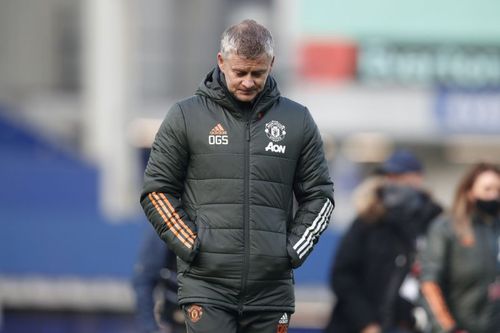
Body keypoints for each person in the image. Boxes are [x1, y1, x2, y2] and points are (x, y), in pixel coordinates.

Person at [140, 19, 334, 333]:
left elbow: (320, 196)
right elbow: (156, 190)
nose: (247, 81)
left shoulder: (297, 120)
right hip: (206, 287)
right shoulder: (185, 116)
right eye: (239, 72)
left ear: (272, 64)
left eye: (257, 73)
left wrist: (292, 250)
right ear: (221, 61)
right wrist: (192, 245)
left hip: (271, 292)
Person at [324, 149, 442, 333]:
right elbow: (342, 276)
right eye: (389, 176)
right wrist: (366, 323)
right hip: (355, 326)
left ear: (418, 178)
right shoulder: (367, 220)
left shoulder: (434, 223)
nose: (393, 182)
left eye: (400, 176)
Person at [419, 162, 500, 333]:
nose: (494, 195)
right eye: (487, 189)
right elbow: (429, 283)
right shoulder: (446, 228)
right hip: (460, 326)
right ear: (470, 192)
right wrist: (449, 328)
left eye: (498, 190)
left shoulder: (496, 229)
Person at [132, 226, 185, 333]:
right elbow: (144, 280)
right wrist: (151, 327)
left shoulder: (220, 222)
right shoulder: (167, 226)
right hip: (176, 319)